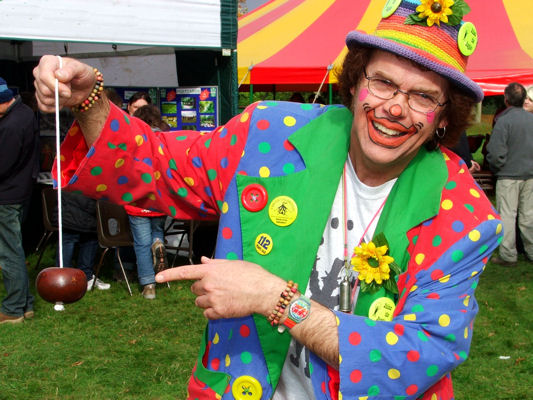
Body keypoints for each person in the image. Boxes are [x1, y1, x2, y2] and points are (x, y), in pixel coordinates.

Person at [33, 1, 503, 398]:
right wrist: (89, 100)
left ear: (443, 118)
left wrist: (273, 297)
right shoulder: (268, 135)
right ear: (357, 82)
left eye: (423, 96)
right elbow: (158, 166)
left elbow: (421, 355)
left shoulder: (463, 216)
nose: (396, 107)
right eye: (383, 83)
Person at [0, 77, 39, 323]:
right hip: (21, 191)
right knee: (14, 248)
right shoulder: (24, 112)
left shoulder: (11, 125)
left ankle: (13, 308)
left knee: (9, 252)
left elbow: (3, 165)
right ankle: (25, 304)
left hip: (7, 195)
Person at [123, 102, 169, 300]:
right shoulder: (165, 139)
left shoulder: (133, 140)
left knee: (142, 244)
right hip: (160, 198)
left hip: (138, 199)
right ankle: (158, 246)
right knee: (156, 232)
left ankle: (148, 285)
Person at [486, 82, 533, 266]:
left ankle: (508, 255)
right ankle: (531, 251)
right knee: (528, 215)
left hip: (509, 175)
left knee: (507, 215)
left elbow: (496, 151)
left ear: (505, 100)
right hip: (529, 174)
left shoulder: (504, 121)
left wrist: (498, 168)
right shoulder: (530, 119)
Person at [51, 191, 111, 290]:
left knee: (90, 239)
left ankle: (85, 277)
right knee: (69, 239)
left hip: (84, 210)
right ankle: (63, 280)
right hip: (73, 208)